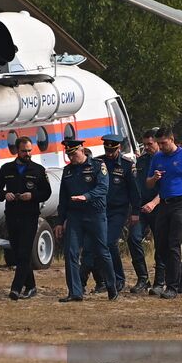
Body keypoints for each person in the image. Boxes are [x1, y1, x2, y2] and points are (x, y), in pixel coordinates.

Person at [140, 127, 182, 299]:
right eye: (159, 144)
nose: (161, 146)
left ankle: (172, 286)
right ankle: (181, 272)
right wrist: (155, 178)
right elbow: (148, 183)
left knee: (174, 244)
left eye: (163, 143)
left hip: (181, 204)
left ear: (172, 139)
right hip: (164, 204)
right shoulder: (157, 158)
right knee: (161, 245)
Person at [0, 135, 52, 299]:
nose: (27, 154)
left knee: (25, 252)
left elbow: (46, 192)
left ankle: (15, 289)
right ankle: (31, 286)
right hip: (12, 215)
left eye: (29, 151)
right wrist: (5, 194)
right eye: (24, 151)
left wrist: (32, 196)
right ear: (17, 151)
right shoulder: (6, 169)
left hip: (29, 216)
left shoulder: (38, 170)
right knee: (18, 253)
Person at [55, 142, 115, 302]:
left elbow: (103, 188)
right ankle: (75, 292)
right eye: (68, 155)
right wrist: (60, 221)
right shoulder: (68, 171)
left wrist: (86, 196)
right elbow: (63, 198)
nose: (71, 158)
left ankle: (111, 287)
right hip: (75, 216)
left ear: (82, 150)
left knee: (102, 251)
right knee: (70, 252)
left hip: (95, 213)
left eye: (73, 154)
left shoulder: (98, 165)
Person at [100, 133, 141, 294]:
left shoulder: (127, 165)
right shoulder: (99, 162)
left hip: (119, 209)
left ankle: (118, 278)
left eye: (112, 150)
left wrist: (135, 212)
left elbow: (135, 191)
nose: (109, 153)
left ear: (119, 148)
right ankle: (106, 279)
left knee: (110, 243)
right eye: (107, 150)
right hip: (101, 209)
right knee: (101, 244)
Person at [127, 129, 159, 293]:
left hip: (161, 206)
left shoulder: (164, 159)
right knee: (133, 238)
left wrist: (154, 203)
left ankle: (160, 280)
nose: (147, 147)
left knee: (161, 244)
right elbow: (137, 187)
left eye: (150, 144)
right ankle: (142, 278)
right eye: (144, 144)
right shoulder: (141, 162)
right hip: (142, 207)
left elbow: (168, 188)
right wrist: (134, 210)